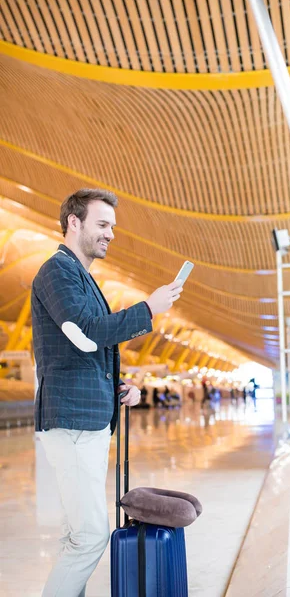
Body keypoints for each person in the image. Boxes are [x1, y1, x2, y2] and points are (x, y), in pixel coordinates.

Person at [32, 188, 183, 597]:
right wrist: (148, 309)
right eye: (102, 225)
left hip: (88, 422)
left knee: (77, 536)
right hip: (72, 424)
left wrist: (119, 387)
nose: (110, 234)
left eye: (112, 227)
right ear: (73, 223)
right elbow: (83, 335)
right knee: (90, 536)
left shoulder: (81, 277)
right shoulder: (56, 272)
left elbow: (84, 353)